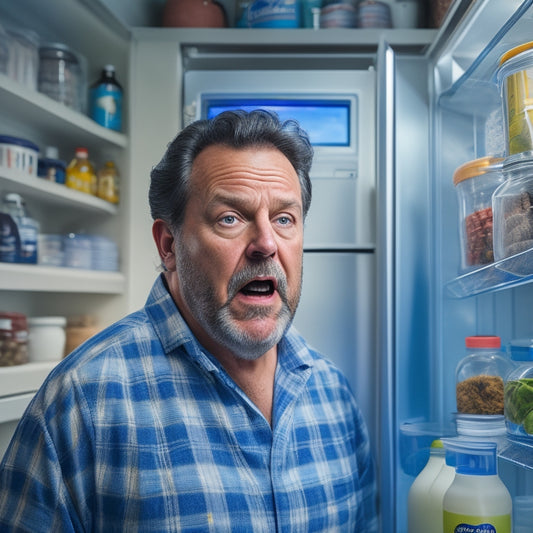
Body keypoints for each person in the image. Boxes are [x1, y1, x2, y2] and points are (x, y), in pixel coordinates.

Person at [0, 110, 378, 531]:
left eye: (284, 219)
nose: (267, 244)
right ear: (168, 245)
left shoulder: (334, 395)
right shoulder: (81, 404)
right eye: (230, 218)